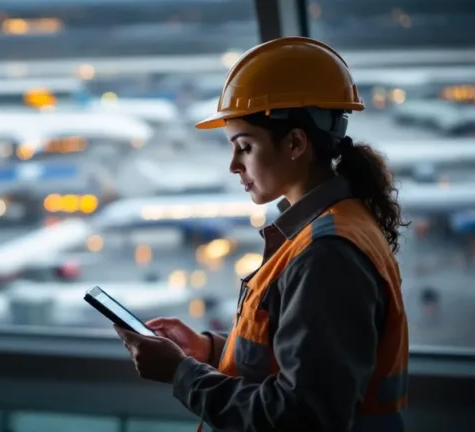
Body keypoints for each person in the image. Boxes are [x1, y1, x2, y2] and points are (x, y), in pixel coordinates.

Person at [114, 36, 410, 432]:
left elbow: (301, 419)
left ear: (295, 143)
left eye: (245, 146)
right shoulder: (330, 227)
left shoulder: (327, 254)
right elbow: (291, 361)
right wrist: (209, 351)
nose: (234, 165)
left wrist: (182, 374)